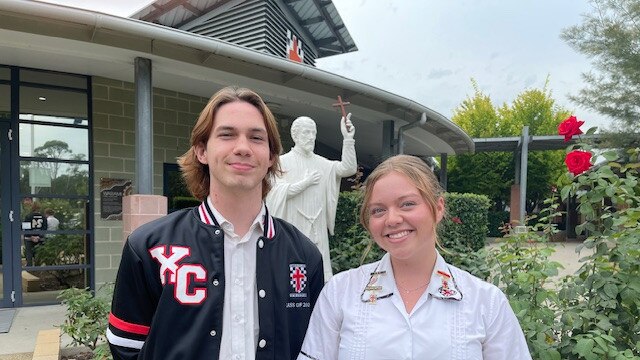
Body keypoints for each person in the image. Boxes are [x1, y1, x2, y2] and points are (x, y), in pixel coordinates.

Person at [107, 86, 324, 360]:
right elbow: (126, 347)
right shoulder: (148, 247)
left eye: (256, 137)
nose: (243, 147)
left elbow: (315, 349)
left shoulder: (304, 256)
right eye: (227, 135)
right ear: (201, 151)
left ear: (271, 157)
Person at [298, 155, 531, 360]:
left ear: (438, 208)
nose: (392, 219)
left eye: (407, 204)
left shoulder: (486, 303)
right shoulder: (340, 293)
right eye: (378, 210)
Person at [266, 115, 357, 280]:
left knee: (318, 277)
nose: (311, 137)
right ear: (295, 135)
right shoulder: (281, 163)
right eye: (306, 133)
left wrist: (348, 139)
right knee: (292, 278)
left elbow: (348, 169)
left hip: (317, 227)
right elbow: (274, 193)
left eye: (313, 133)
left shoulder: (322, 163)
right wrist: (305, 183)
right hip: (293, 226)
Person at [23, 200, 47, 266]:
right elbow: (44, 228)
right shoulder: (43, 217)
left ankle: (29, 266)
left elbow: (26, 228)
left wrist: (32, 236)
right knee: (39, 252)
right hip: (40, 237)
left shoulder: (28, 216)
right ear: (39, 208)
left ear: (32, 208)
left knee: (29, 252)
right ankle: (38, 265)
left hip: (29, 238)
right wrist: (39, 236)